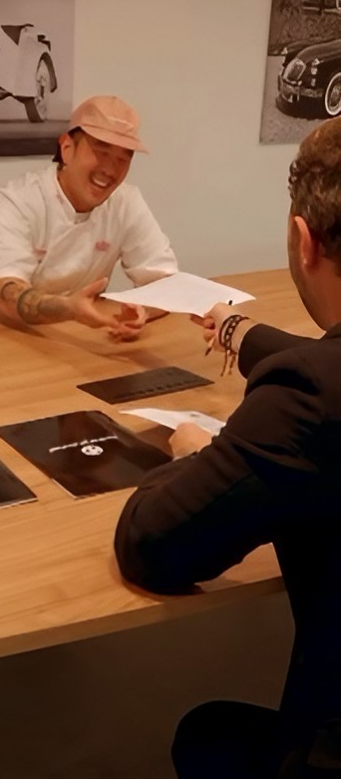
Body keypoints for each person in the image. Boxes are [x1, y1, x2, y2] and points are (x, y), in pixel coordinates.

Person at [114, 117, 341, 777]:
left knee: (206, 735)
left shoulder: (307, 398)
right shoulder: (319, 380)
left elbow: (153, 547)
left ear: (304, 240)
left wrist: (193, 454)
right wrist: (242, 333)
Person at [0, 95, 177, 339]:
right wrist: (69, 309)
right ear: (67, 148)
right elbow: (8, 297)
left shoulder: (126, 202)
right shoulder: (16, 201)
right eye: (101, 151)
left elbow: (165, 282)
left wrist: (141, 310)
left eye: (123, 159)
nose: (110, 170)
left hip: (67, 335)